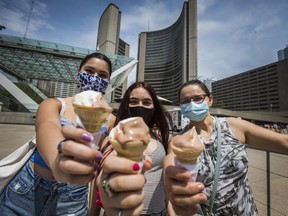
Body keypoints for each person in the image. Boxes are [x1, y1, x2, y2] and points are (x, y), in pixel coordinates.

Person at [0, 52, 115, 216]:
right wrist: (57, 160)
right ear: (79, 73)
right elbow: (47, 127)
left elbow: (104, 162)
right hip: (28, 189)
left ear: (108, 82)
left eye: (102, 75)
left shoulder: (110, 119)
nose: (95, 77)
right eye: (89, 71)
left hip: (73, 198)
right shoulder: (54, 104)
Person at [163, 79, 288, 216]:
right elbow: (171, 173)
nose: (192, 104)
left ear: (210, 100)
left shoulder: (234, 126)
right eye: (185, 101)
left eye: (198, 98)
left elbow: (283, 141)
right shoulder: (179, 141)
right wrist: (171, 188)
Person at [95, 81, 175, 215]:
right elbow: (102, 182)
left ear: (154, 107)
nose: (140, 106)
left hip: (159, 211)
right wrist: (106, 191)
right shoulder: (115, 138)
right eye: (133, 101)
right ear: (126, 105)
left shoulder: (160, 137)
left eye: (147, 102)